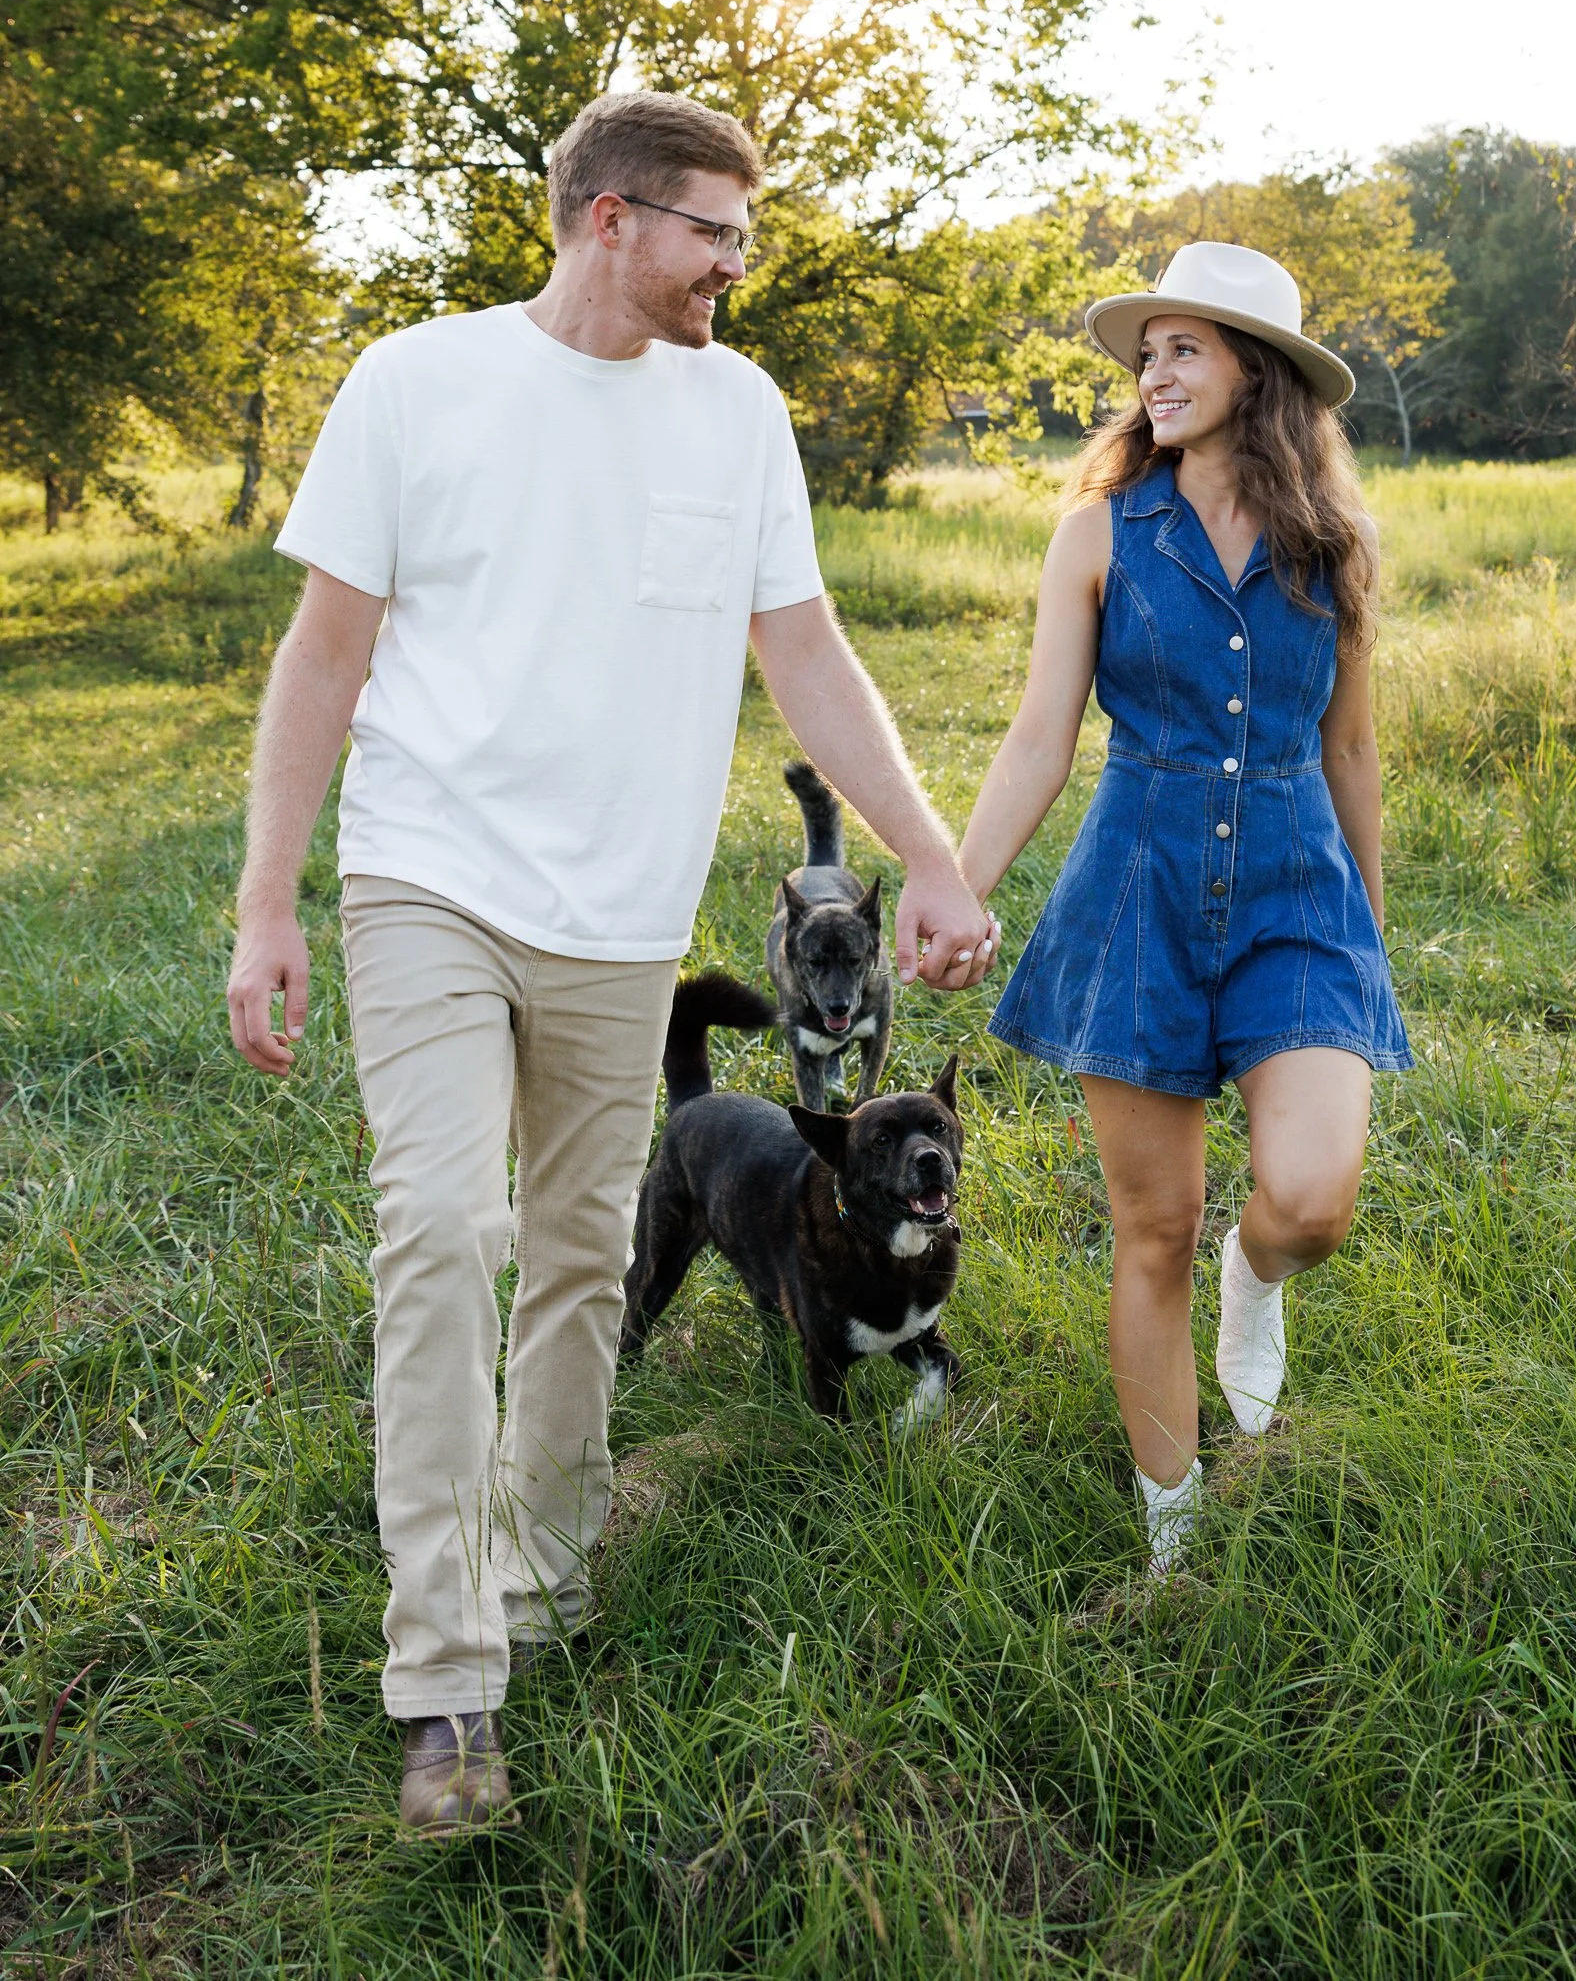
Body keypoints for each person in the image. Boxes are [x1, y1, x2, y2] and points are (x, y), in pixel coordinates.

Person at [225, 91, 997, 1836]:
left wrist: (933, 852)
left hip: (624, 918)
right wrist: (271, 899)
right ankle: (444, 1684)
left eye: (745, 231)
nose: (740, 262)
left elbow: (803, 653)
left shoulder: (737, 415)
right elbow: (325, 653)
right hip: (426, 875)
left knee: (579, 1253)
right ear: (607, 220)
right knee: (443, 1226)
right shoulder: (417, 385)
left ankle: (543, 1585)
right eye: (715, 229)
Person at [957, 242, 1409, 1573]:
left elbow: (1352, 751)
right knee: (1150, 1226)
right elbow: (1042, 737)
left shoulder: (1332, 547)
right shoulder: (1100, 532)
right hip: (1135, 901)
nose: (1154, 372)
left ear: (1254, 373)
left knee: (1313, 1196)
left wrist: (1365, 936)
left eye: (1184, 348)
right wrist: (956, 887)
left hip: (1295, 897)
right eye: (1146, 351)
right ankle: (1173, 1534)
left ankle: (1255, 1276)